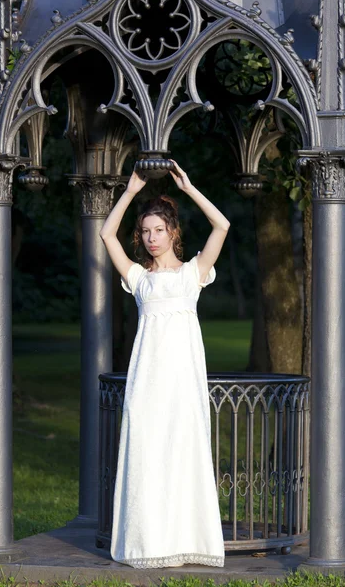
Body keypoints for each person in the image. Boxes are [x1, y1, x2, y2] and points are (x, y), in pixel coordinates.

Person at [99, 160, 230, 569]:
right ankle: (146, 545)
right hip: (147, 383)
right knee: (147, 457)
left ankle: (186, 541)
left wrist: (189, 189)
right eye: (145, 232)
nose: (151, 238)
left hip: (183, 383)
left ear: (173, 231)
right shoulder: (139, 278)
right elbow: (106, 233)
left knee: (183, 456)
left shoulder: (194, 273)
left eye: (158, 230)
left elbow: (222, 225)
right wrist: (130, 191)